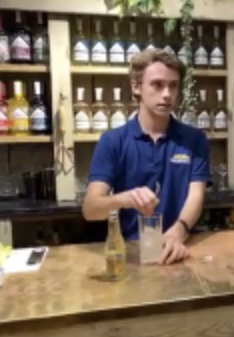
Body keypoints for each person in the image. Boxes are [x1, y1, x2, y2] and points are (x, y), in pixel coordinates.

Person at [82, 49, 211, 265]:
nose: (167, 94)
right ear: (136, 87)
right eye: (157, 85)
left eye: (173, 85)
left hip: (180, 249)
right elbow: (91, 209)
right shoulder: (113, 141)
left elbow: (196, 196)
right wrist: (125, 199)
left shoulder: (194, 140)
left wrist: (178, 231)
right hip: (132, 252)